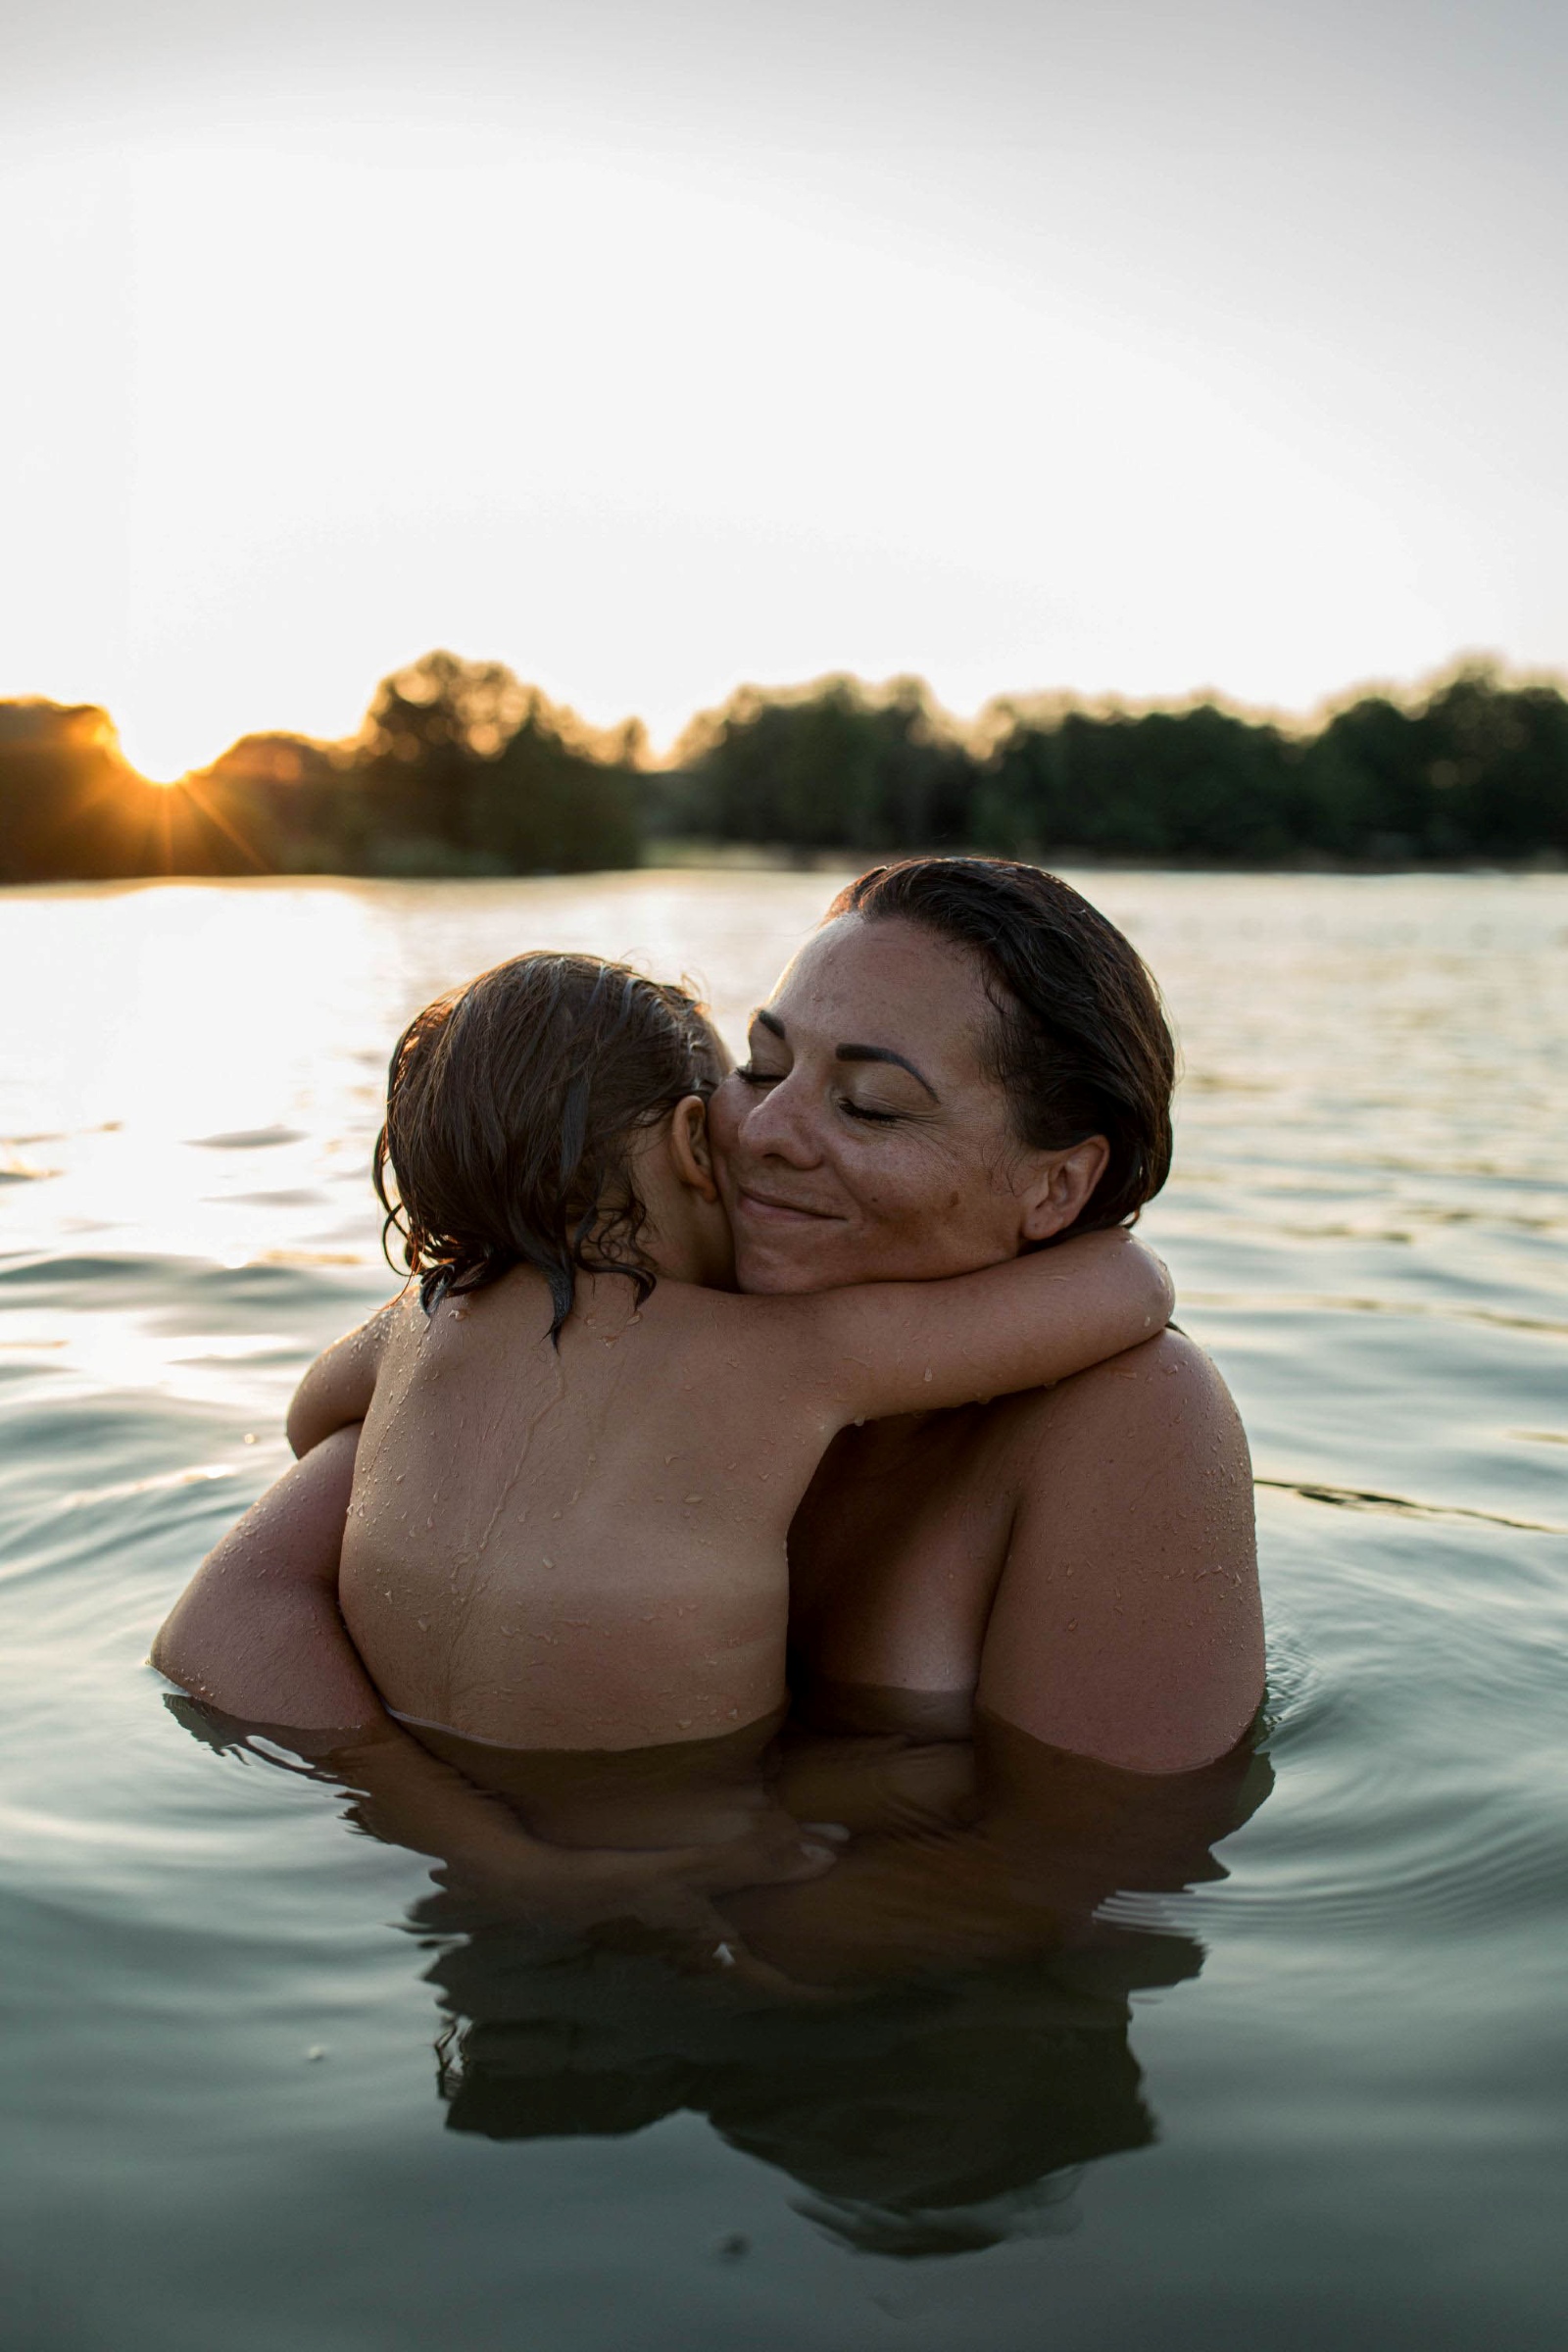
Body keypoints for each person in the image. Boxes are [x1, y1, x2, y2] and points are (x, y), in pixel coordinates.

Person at [156, 858, 1262, 1783]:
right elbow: (227, 1628)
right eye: (761, 1065)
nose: (767, 1130)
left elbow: (1099, 1863)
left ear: (1058, 1188)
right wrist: (474, 1848)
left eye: (867, 1103)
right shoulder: (638, 1325)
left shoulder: (1125, 1415)